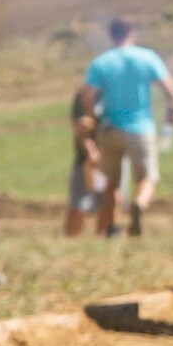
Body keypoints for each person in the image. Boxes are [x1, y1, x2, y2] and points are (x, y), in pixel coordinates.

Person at [80, 16, 173, 238]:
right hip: (141, 128)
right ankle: (139, 204)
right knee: (147, 178)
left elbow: (88, 96)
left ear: (111, 35)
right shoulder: (147, 57)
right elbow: (169, 89)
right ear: (131, 33)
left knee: (111, 181)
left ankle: (113, 228)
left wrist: (93, 116)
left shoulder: (101, 62)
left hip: (109, 128)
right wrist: (172, 113)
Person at [65, 89, 104, 237]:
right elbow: (81, 127)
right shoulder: (85, 94)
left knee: (108, 202)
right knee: (78, 205)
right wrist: (92, 152)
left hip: (110, 158)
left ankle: (104, 240)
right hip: (87, 160)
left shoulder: (115, 93)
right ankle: (70, 241)